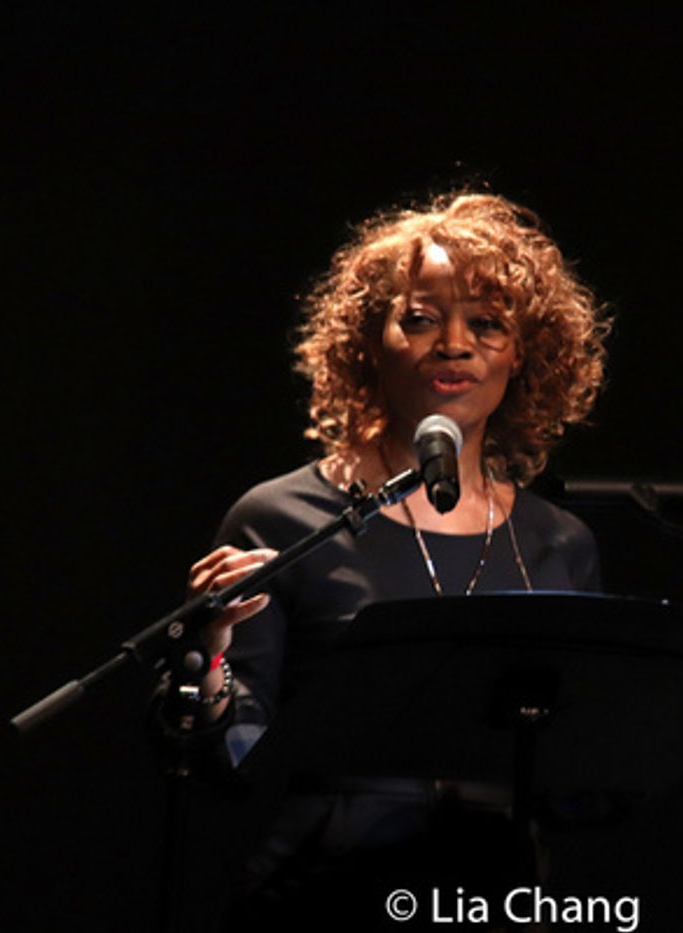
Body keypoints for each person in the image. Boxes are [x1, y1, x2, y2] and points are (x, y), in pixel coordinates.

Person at [167, 191, 611, 926]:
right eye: (421, 317)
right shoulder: (285, 519)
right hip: (325, 899)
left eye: (488, 322)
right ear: (369, 342)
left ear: (523, 351)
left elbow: (586, 785)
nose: (455, 343)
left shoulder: (558, 543)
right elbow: (231, 759)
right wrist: (206, 659)